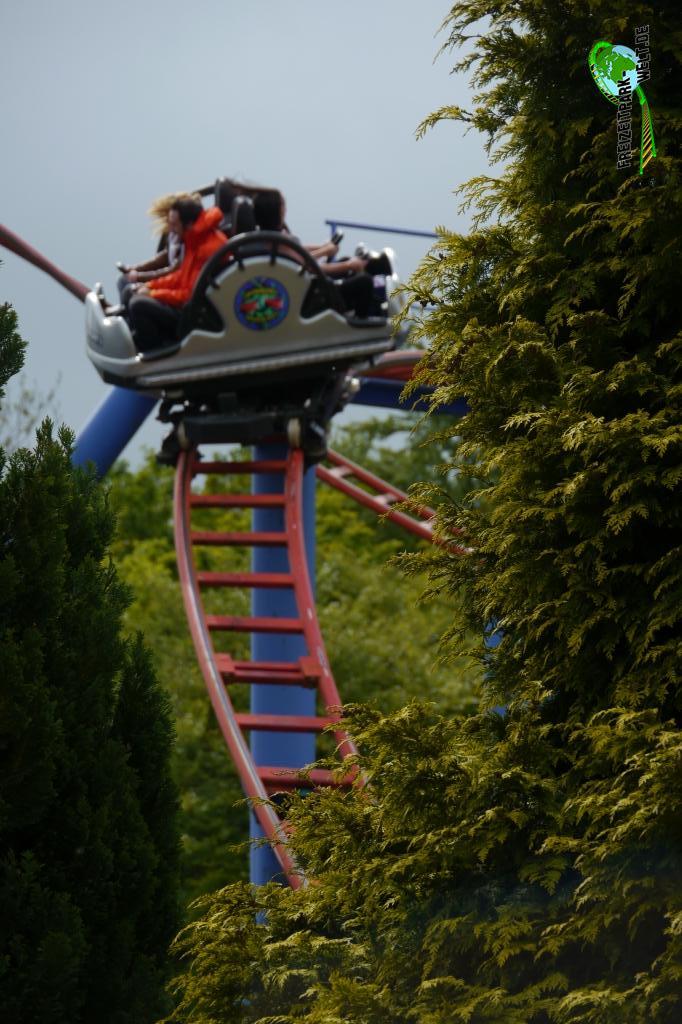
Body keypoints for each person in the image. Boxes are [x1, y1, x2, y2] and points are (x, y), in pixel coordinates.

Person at [253, 191, 375, 318]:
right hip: (308, 299)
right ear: (278, 211)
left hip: (297, 291)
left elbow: (298, 251)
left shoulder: (263, 239)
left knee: (344, 261)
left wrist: (323, 248)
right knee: (364, 281)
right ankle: (360, 325)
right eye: (283, 205)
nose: (286, 209)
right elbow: (310, 267)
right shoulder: (279, 242)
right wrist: (349, 265)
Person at [128, 198, 227, 352]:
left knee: (138, 305)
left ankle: (154, 352)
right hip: (186, 303)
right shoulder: (194, 239)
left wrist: (154, 293)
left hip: (194, 314)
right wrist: (150, 286)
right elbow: (181, 276)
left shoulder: (207, 248)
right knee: (131, 291)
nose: (171, 229)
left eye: (174, 224)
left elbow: (190, 295)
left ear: (188, 225)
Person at [116, 191, 202, 305]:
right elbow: (164, 258)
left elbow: (175, 273)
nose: (170, 224)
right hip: (171, 284)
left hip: (178, 292)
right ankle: (119, 311)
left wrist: (142, 280)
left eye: (174, 223)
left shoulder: (187, 239)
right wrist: (136, 270)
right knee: (124, 281)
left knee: (133, 294)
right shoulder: (173, 235)